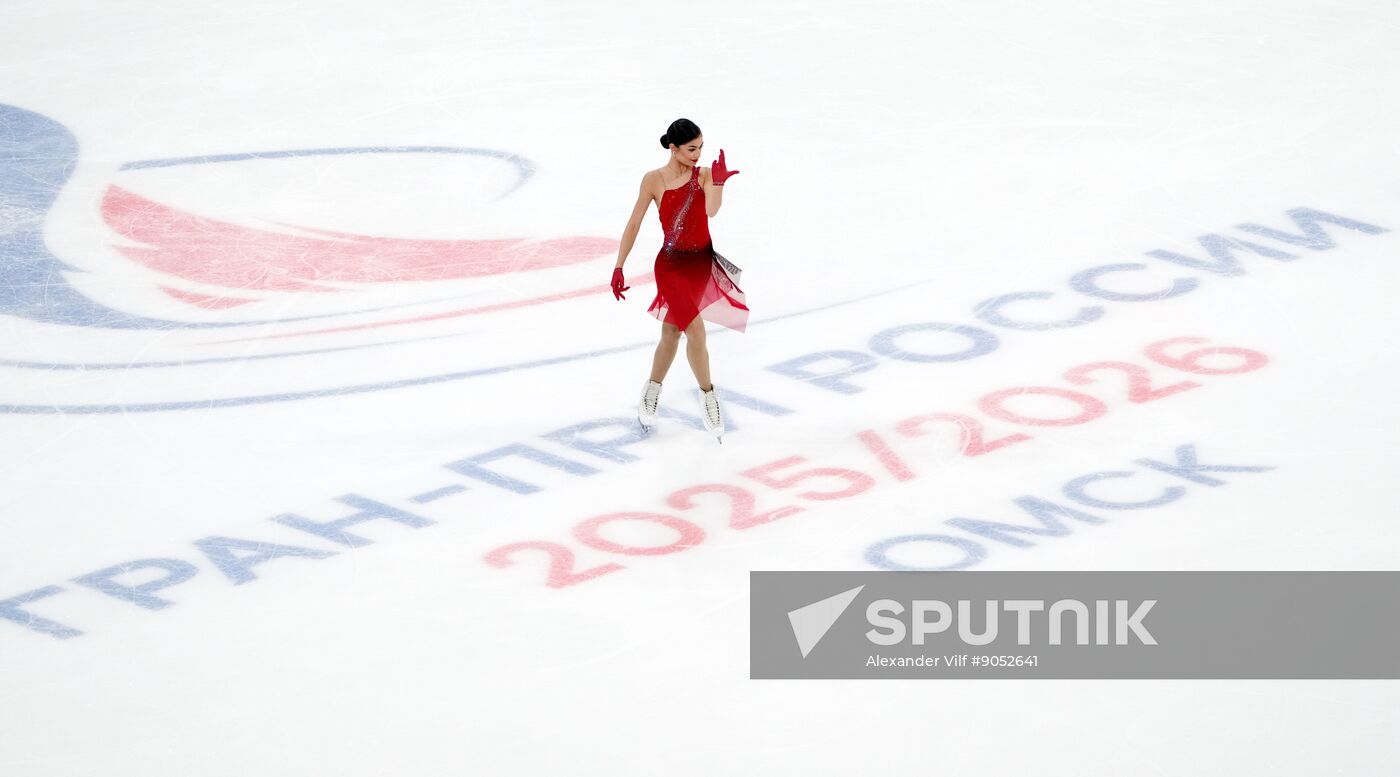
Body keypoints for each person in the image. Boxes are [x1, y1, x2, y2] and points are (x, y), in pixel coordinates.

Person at [611, 118, 747, 443]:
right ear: (673, 148)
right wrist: (619, 266)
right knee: (696, 329)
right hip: (671, 267)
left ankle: (651, 389)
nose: (698, 154)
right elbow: (633, 224)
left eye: (701, 147)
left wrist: (719, 184)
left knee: (671, 332)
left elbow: (711, 212)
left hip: (701, 262)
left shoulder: (703, 175)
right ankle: (709, 396)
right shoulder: (653, 180)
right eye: (691, 149)